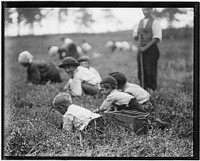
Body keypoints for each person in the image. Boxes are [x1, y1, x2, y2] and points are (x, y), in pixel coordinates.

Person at [133, 8, 162, 91]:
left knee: (151, 71)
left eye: (147, 10)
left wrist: (145, 48)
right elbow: (135, 36)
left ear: (151, 10)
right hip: (141, 50)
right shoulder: (140, 22)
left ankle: (153, 89)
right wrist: (136, 35)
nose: (145, 12)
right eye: (144, 10)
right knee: (141, 70)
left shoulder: (155, 22)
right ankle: (143, 88)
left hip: (151, 50)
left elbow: (156, 38)